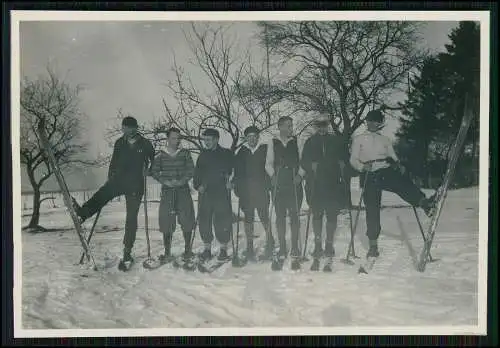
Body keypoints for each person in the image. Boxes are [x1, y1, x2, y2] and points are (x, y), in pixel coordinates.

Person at [349, 109, 436, 258]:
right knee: (372, 209)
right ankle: (373, 246)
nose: (373, 124)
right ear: (367, 122)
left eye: (376, 121)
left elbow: (393, 157)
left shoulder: (385, 140)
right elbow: (353, 160)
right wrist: (363, 167)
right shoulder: (359, 139)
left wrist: (398, 165)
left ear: (379, 123)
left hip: (384, 170)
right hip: (368, 173)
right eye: (370, 121)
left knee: (402, 183)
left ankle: (423, 203)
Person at [72, 116, 154, 268]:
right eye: (124, 128)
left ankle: (127, 251)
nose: (126, 131)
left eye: (129, 128)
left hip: (135, 185)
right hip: (119, 181)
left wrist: (148, 170)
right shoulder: (119, 143)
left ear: (135, 128)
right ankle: (82, 213)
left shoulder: (145, 144)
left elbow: (154, 162)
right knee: (102, 194)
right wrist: (111, 177)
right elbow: (114, 162)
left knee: (131, 218)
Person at [300, 115, 346, 271]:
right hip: (315, 184)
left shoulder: (336, 141)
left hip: (332, 184)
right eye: (319, 125)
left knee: (332, 215)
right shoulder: (310, 142)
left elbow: (344, 157)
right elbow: (303, 161)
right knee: (318, 215)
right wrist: (309, 165)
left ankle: (329, 245)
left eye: (324, 125)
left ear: (328, 125)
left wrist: (342, 163)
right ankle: (318, 244)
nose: (322, 128)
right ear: (315, 126)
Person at [149, 127, 196, 265]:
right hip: (168, 192)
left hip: (183, 191)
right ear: (168, 139)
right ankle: (167, 252)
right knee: (166, 221)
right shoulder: (160, 155)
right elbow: (155, 171)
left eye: (178, 138)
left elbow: (191, 170)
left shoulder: (185, 153)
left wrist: (181, 181)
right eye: (174, 138)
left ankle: (188, 250)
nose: (177, 140)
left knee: (187, 219)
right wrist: (165, 181)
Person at [265, 116, 305, 270]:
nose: (290, 128)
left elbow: (303, 161)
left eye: (291, 125)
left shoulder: (297, 141)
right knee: (280, 216)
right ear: (280, 127)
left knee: (294, 215)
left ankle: (295, 246)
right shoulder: (272, 142)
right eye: (287, 126)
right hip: (279, 182)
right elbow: (268, 163)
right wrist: (272, 176)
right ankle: (282, 247)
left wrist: (300, 175)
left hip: (294, 181)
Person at [193, 128, 234, 263]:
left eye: (209, 140)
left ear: (216, 139)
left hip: (221, 191)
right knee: (204, 220)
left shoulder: (226, 153)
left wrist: (231, 182)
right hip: (206, 193)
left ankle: (223, 249)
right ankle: (207, 249)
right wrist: (198, 186)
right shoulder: (203, 155)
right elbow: (197, 173)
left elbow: (233, 170)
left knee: (222, 219)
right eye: (205, 140)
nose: (206, 142)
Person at [232, 126, 273, 262]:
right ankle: (249, 245)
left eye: (254, 136)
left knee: (264, 216)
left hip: (261, 190)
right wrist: (237, 186)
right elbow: (237, 172)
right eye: (249, 137)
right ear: (246, 138)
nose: (252, 139)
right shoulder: (242, 152)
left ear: (258, 137)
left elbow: (269, 168)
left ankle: (270, 240)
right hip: (246, 192)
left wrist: (269, 185)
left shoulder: (264, 149)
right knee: (248, 218)